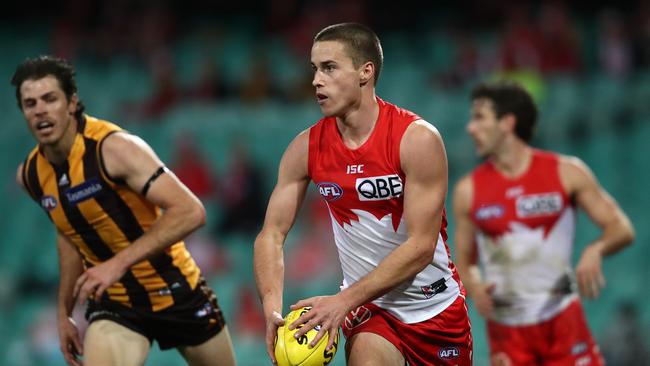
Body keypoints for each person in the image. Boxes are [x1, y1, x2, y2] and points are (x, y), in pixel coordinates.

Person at [254, 23, 472, 366]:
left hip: (435, 310)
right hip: (371, 310)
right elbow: (271, 234)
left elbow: (420, 247)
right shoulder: (305, 148)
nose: (315, 80)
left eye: (329, 68)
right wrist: (271, 307)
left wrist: (341, 301)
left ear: (365, 72)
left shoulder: (415, 140)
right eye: (314, 69)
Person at [12, 55, 236, 366]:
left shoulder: (115, 149)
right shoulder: (31, 175)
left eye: (50, 99)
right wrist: (63, 314)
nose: (40, 110)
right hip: (116, 302)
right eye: (30, 103)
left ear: (72, 102)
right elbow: (68, 235)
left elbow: (191, 211)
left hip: (176, 289)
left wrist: (117, 264)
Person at [452, 81, 635, 366]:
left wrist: (595, 249)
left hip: (564, 323)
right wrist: (475, 286)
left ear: (507, 123)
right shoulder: (468, 190)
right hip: (507, 333)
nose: (470, 128)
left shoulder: (567, 172)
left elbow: (621, 227)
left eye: (479, 117)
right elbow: (464, 259)